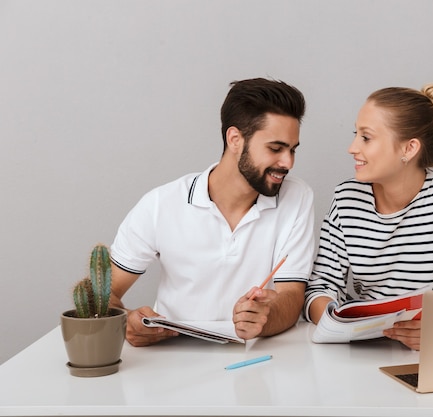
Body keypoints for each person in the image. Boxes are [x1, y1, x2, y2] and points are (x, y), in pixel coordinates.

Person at [110, 78, 315, 347]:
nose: (287, 162)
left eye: (292, 150)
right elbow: (102, 295)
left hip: (257, 364)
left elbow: (292, 297)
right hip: (172, 360)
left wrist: (266, 316)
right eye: (275, 148)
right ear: (235, 139)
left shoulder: (297, 197)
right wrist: (126, 322)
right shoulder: (161, 204)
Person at [304, 84, 433, 350]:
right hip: (363, 347)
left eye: (366, 138)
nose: (352, 147)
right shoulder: (346, 198)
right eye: (355, 134)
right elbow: (322, 284)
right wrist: (333, 321)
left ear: (409, 148)